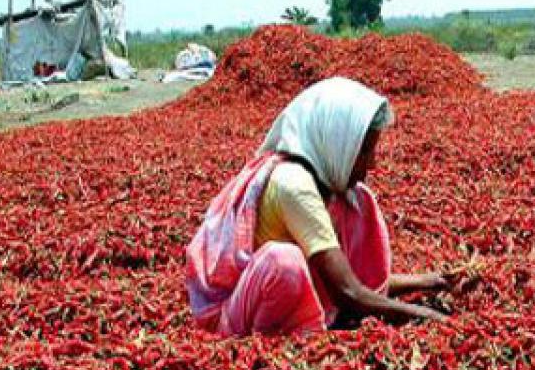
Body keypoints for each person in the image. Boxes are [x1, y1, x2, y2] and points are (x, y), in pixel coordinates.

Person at [186, 78, 449, 336]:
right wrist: (425, 316)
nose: (372, 164)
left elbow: (349, 281)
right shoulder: (293, 184)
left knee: (358, 200)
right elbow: (347, 291)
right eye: (365, 151)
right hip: (237, 317)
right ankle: (274, 343)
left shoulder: (331, 192)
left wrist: (429, 282)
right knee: (283, 262)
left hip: (305, 295)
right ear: (335, 143)